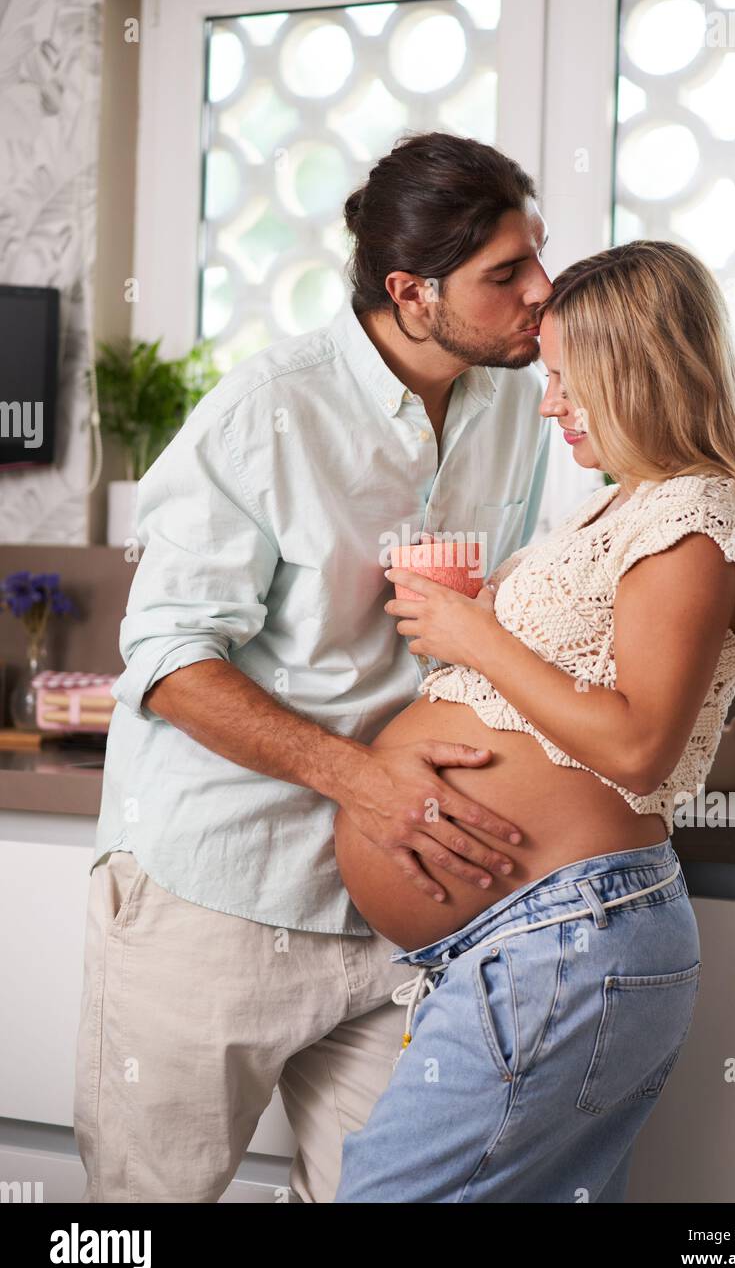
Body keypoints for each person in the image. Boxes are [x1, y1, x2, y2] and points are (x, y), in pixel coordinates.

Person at [73, 131, 553, 1203]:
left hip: (398, 910)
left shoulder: (519, 409)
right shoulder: (267, 410)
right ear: (410, 292)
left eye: (536, 258)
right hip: (216, 894)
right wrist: (363, 780)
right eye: (504, 274)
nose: (541, 292)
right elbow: (164, 658)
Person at [332, 240, 735, 1203]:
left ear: (639, 370)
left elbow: (637, 746)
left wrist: (474, 635)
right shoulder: (621, 507)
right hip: (531, 939)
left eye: (567, 380)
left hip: (568, 934)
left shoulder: (692, 516)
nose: (549, 405)